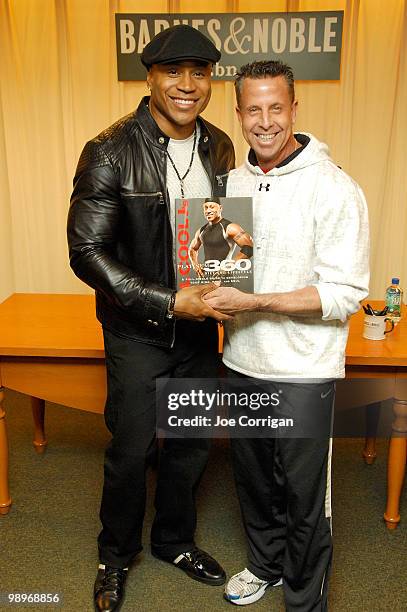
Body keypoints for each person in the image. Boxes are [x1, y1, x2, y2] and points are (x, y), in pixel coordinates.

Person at [67, 25, 235, 612]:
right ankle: (114, 558)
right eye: (174, 72)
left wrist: (224, 282)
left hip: (200, 328)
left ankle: (174, 541)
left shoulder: (219, 145)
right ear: (150, 78)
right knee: (133, 450)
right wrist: (167, 301)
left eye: (200, 73)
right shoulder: (109, 149)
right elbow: (86, 253)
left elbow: (215, 233)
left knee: (189, 443)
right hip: (137, 330)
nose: (188, 85)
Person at [204, 60, 369, 610]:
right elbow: (225, 271)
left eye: (277, 107)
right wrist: (205, 292)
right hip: (244, 360)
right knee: (253, 483)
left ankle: (304, 598)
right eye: (254, 109)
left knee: (305, 497)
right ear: (240, 113)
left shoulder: (335, 187)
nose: (266, 121)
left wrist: (254, 301)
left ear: (295, 109)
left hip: (304, 371)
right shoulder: (232, 184)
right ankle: (265, 564)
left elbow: (345, 293)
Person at [188, 196, 253, 278]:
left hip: (224, 278)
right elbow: (193, 249)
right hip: (206, 278)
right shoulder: (201, 231)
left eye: (212, 207)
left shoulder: (230, 228)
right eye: (206, 207)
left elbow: (249, 247)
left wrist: (229, 265)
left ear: (220, 208)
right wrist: (195, 265)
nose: (208, 211)